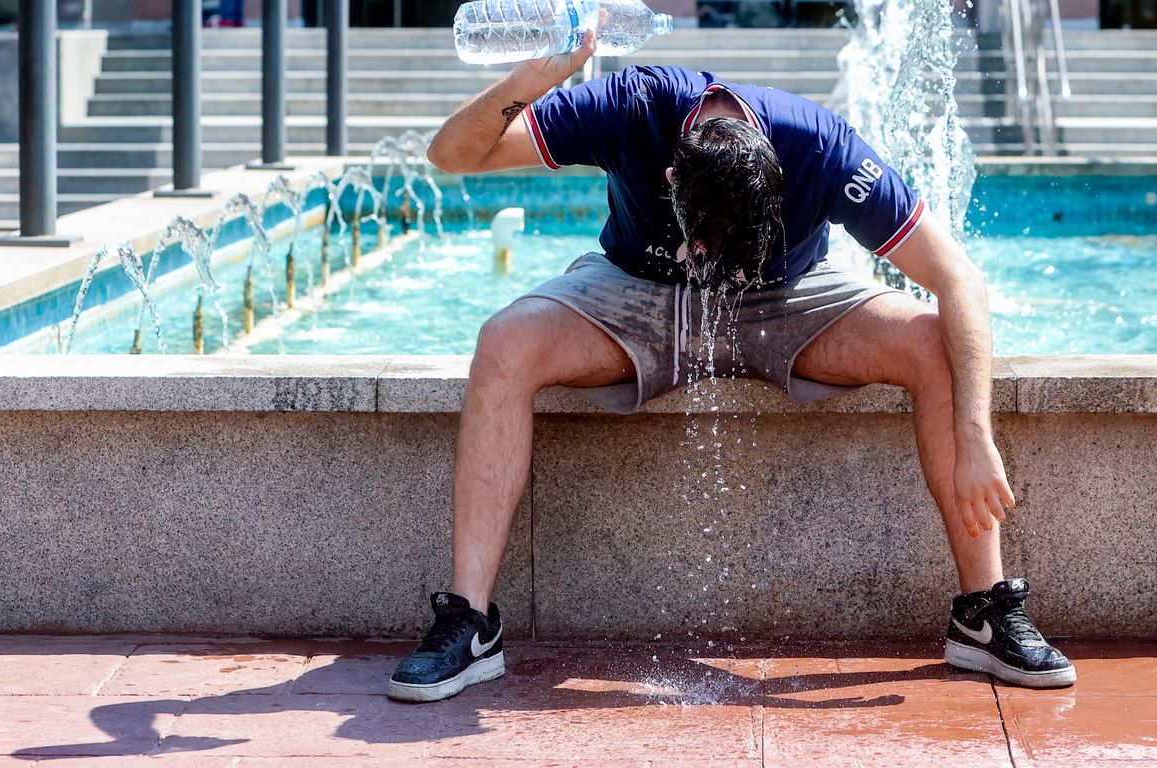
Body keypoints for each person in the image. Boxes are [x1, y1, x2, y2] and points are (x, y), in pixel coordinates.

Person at [387, 32, 1076, 703]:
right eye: (703, 241)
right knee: (504, 341)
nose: (710, 261)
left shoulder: (822, 149)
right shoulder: (629, 108)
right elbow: (453, 155)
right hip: (640, 293)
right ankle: (469, 624)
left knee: (932, 341)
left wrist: (976, 435)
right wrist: (531, 81)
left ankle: (984, 614)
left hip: (787, 300)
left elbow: (959, 279)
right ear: (671, 180)